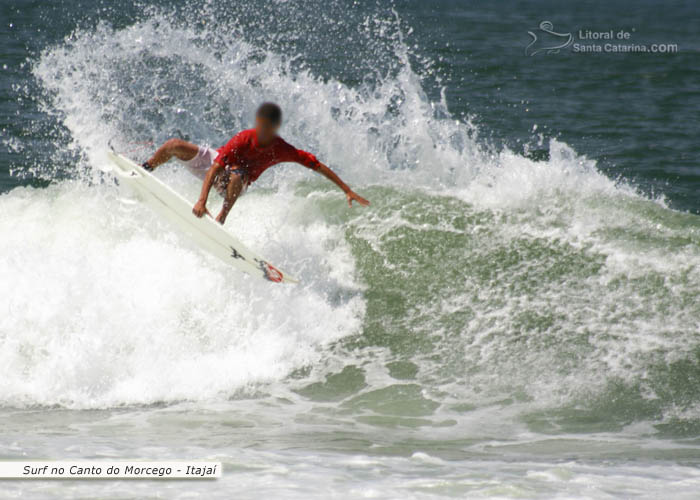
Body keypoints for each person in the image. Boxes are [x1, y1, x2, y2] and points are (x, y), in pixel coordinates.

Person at [142, 102, 369, 224]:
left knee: (238, 173)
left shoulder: (282, 149)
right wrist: (201, 201)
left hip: (236, 183)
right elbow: (214, 168)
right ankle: (146, 168)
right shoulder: (243, 138)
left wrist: (346, 190)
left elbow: (316, 165)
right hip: (217, 166)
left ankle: (221, 219)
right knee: (173, 144)